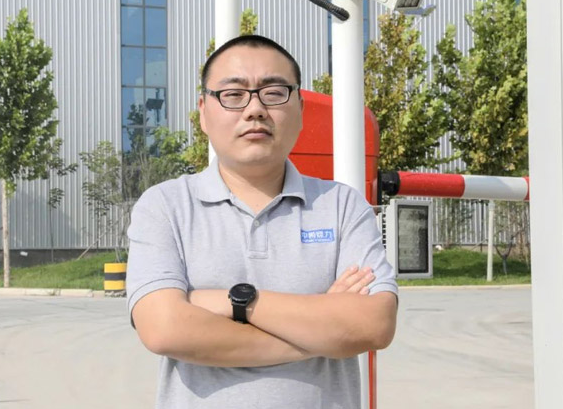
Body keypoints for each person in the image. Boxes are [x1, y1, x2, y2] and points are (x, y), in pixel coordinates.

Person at [126, 34, 398, 409]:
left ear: (300, 108)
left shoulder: (342, 205)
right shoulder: (165, 206)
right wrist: (317, 336)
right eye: (233, 94)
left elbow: (373, 325)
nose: (255, 109)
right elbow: (164, 329)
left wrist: (234, 302)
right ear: (203, 111)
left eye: (273, 93)